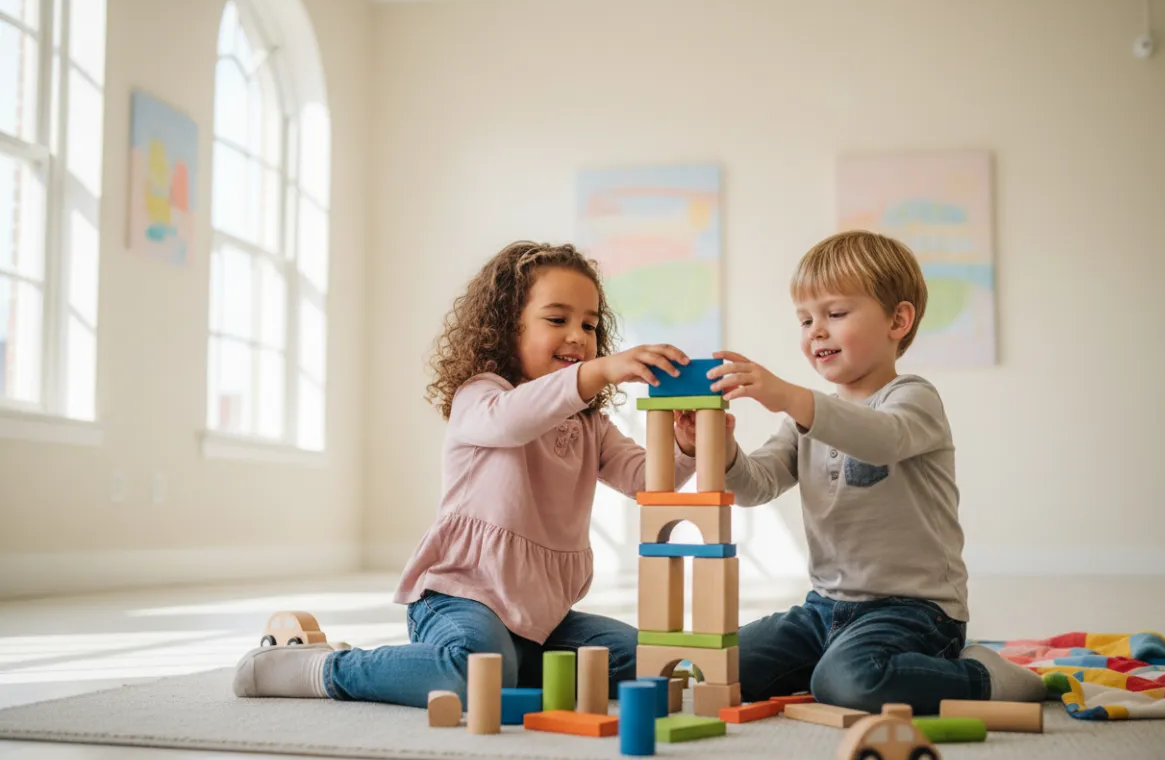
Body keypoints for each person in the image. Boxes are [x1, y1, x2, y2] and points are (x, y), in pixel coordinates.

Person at [232, 241, 695, 705]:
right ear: (506, 328)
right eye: (557, 320)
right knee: (475, 672)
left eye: (589, 325)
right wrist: (597, 373)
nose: (578, 335)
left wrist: (686, 448)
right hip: (458, 596)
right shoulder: (481, 397)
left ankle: (502, 667)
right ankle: (324, 668)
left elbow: (645, 480)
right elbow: (514, 421)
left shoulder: (590, 425)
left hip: (543, 620)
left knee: (650, 658)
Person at [679, 230, 1045, 715]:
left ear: (899, 319)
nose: (816, 331)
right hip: (824, 608)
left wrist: (788, 395)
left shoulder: (914, 398)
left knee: (849, 682)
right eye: (806, 319)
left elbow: (881, 438)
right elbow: (755, 485)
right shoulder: (806, 418)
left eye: (835, 313)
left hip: (915, 611)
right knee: (717, 665)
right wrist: (718, 445)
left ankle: (983, 675)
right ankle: (840, 658)